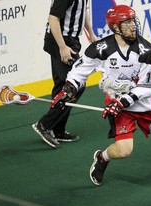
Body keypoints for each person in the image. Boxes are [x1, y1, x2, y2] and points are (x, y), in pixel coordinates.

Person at [50, 5, 151, 185]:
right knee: (124, 150)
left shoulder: (147, 50)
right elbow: (80, 71)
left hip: (144, 102)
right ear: (115, 27)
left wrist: (122, 102)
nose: (133, 26)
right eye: (127, 23)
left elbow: (147, 87)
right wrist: (69, 89)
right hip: (117, 103)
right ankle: (102, 158)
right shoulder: (100, 48)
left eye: (133, 21)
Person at [32, 0, 98, 148]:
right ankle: (44, 124)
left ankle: (57, 129)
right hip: (61, 40)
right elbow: (53, 18)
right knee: (75, 85)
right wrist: (62, 47)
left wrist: (91, 34)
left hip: (70, 40)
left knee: (62, 85)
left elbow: (82, 11)